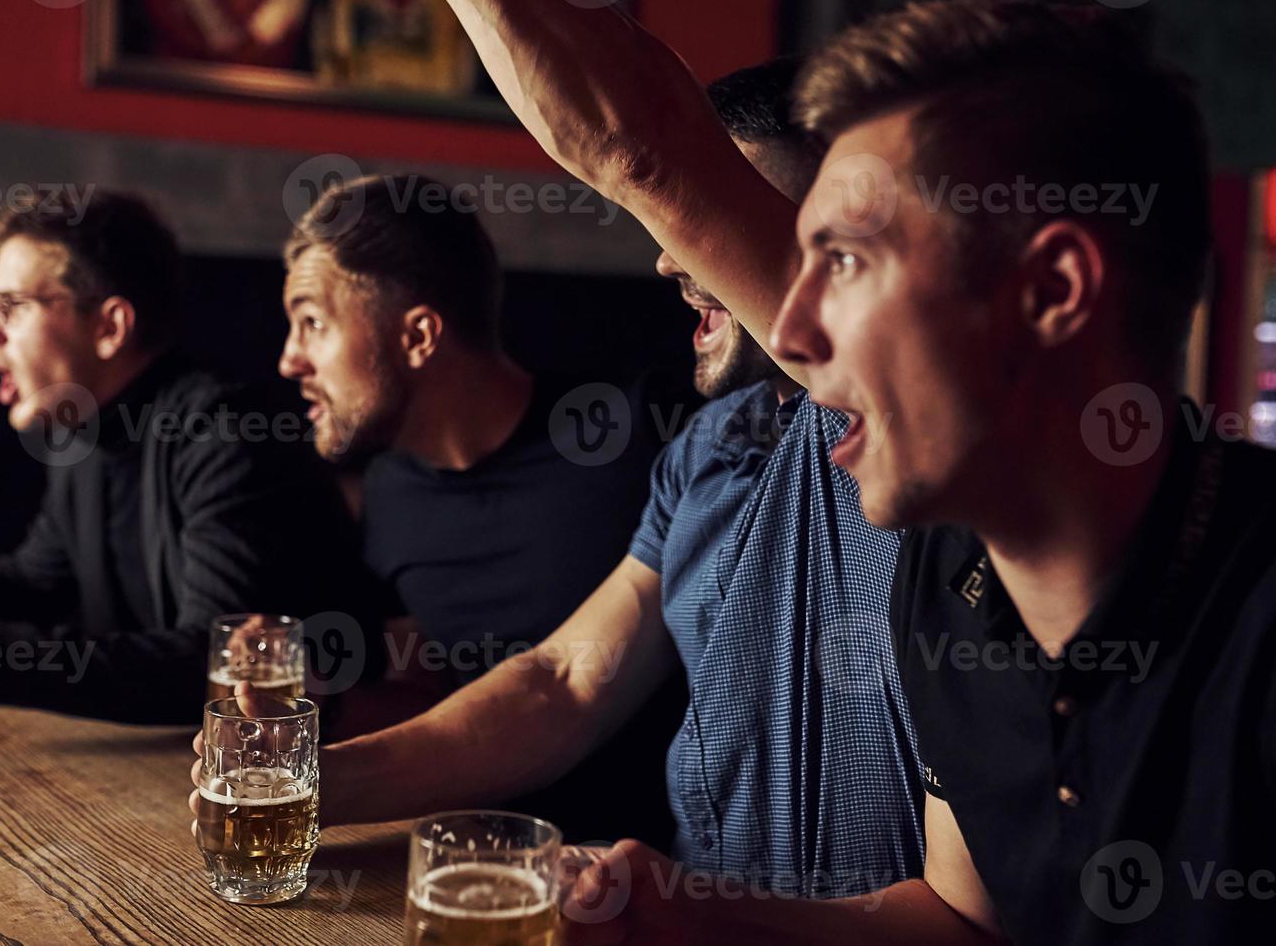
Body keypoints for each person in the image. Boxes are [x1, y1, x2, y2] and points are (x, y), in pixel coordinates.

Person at [410, 0, 1273, 941]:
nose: (796, 328)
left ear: (1052, 290)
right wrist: (677, 912)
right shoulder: (954, 575)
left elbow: (642, 150)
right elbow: (962, 923)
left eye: (848, 262)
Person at [196, 61, 926, 895]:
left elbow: (637, 157)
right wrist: (309, 782)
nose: (668, 261)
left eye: (714, 218)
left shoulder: (904, 430)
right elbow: (564, 682)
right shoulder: (710, 446)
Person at [273, 170, 692, 845]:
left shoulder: (640, 435)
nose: (289, 359)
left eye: (312, 323)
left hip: (653, 872)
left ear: (418, 337)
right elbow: (434, 693)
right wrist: (314, 711)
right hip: (471, 856)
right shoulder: (389, 490)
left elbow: (561, 688)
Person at [0, 190, 380, 726]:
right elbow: (37, 583)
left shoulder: (228, 434)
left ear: (110, 327)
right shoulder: (82, 431)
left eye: (11, 307)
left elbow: (216, 669)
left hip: (308, 783)